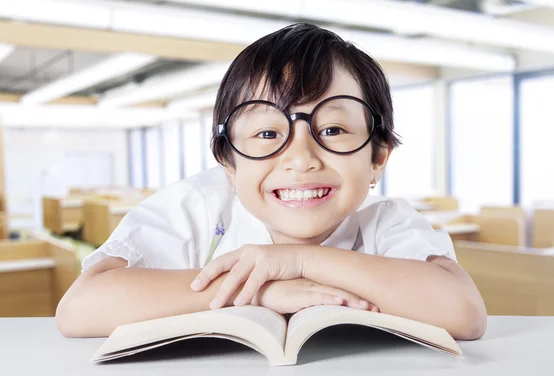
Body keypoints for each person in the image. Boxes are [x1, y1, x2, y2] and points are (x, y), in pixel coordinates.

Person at [56, 23, 487, 339]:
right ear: (228, 162)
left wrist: (300, 262)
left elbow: (464, 313)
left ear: (377, 158)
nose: (300, 158)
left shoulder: (387, 223)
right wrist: (261, 291)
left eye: (333, 130)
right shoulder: (197, 207)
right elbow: (79, 309)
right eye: (266, 134)